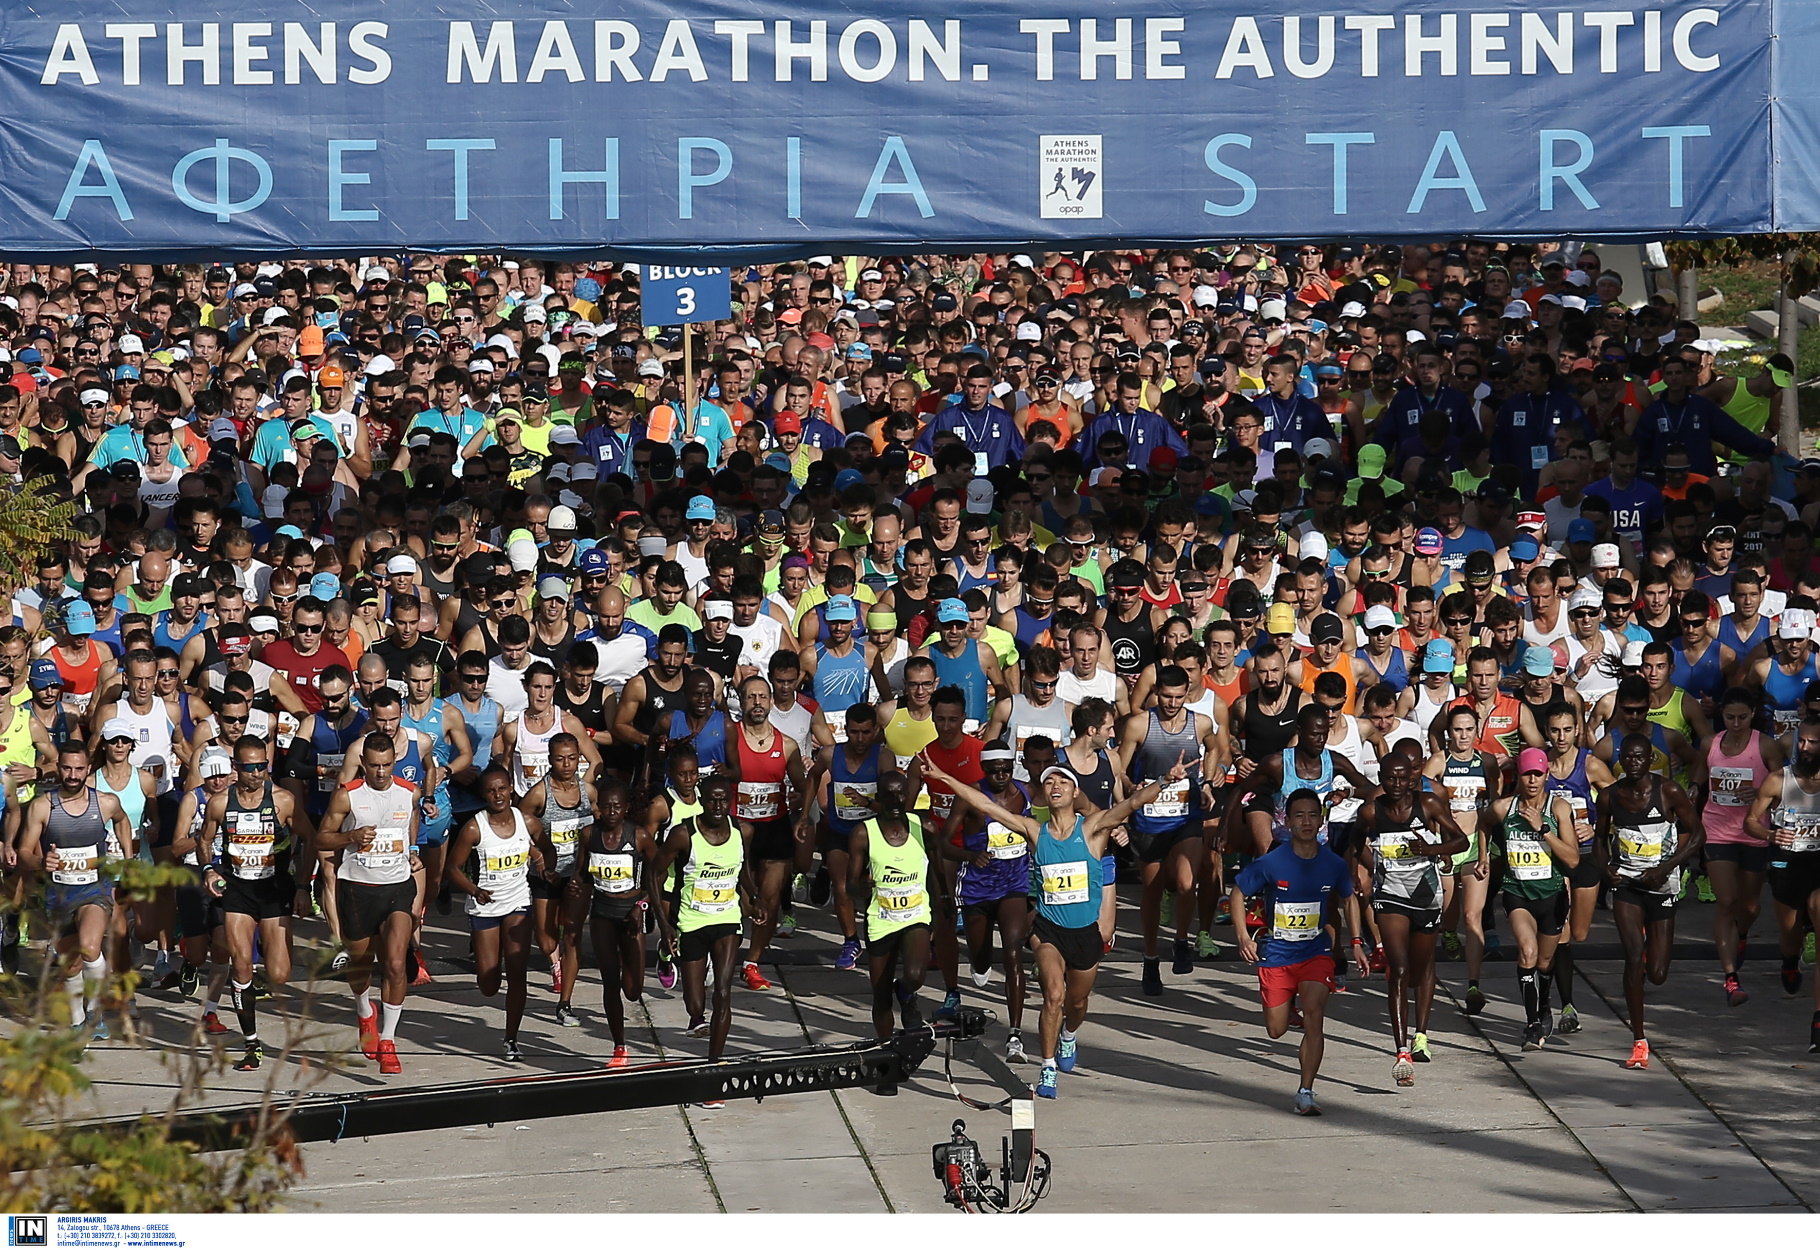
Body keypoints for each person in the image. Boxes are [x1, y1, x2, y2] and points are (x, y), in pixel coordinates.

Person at [918, 751, 1187, 1099]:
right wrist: (942, 775)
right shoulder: (1033, 830)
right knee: (1054, 996)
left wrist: (1165, 781)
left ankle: (1069, 1035)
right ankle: (1046, 1068)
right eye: (1048, 781)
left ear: (1075, 792)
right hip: (1048, 932)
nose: (1055, 785)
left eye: (1062, 780)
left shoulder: (1092, 829)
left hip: (1085, 934)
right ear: (1043, 795)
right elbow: (984, 805)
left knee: (1076, 1004)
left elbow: (1134, 802)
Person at [1233, 788, 1368, 1116]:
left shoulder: (1332, 864)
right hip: (1276, 955)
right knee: (1276, 1030)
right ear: (1287, 821)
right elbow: (1238, 892)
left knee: (1315, 1018)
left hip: (1315, 952)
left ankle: (1306, 1091)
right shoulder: (1272, 862)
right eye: (1299, 816)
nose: (1306, 822)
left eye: (1312, 815)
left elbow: (1349, 899)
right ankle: (1288, 1005)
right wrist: (1243, 937)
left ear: (1321, 820)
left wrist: (1355, 943)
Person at [198, 734, 312, 1070]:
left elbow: (311, 838)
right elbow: (203, 840)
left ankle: (271, 959)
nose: (257, 773)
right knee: (241, 964)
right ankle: (251, 1044)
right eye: (250, 768)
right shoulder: (220, 802)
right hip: (238, 889)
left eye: (263, 766)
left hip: (274, 888)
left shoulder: (283, 801)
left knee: (279, 974)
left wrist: (303, 885)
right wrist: (208, 870)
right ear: (236, 768)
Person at [1354, 753, 1468, 1084]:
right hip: (1390, 896)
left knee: (1420, 970)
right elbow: (1351, 841)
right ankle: (1402, 1051)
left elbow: (1459, 840)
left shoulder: (1429, 803)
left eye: (1403, 778)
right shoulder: (1371, 811)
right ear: (1382, 779)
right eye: (1390, 779)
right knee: (1399, 970)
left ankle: (1422, 1033)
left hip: (1425, 895)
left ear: (1413, 778)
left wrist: (1431, 852)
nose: (1397, 785)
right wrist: (1366, 866)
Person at [1596, 732, 1705, 1070]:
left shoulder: (1667, 791)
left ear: (1650, 760)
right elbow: (1600, 839)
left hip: (1660, 884)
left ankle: (1643, 969)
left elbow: (1699, 835)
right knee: (1631, 956)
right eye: (1627, 758)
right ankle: (1639, 1039)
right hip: (1627, 884)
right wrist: (1606, 870)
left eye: (1640, 757)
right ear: (1621, 760)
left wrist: (1666, 868)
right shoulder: (1609, 796)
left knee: (1656, 973)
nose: (1633, 763)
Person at [317, 732, 421, 1076]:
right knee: (360, 967)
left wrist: (413, 851)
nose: (381, 772)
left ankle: (388, 1041)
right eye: (374, 766)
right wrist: (350, 837)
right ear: (363, 764)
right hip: (357, 890)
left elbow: (411, 821)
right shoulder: (348, 796)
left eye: (387, 765)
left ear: (395, 762)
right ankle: (365, 1011)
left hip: (396, 888)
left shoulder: (409, 793)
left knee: (393, 962)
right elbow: (321, 837)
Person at [16, 741, 136, 1039]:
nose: (72, 774)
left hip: (94, 891)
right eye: (67, 768)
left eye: (79, 769)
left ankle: (95, 1011)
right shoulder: (43, 807)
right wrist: (42, 861)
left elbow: (122, 821)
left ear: (88, 769)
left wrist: (128, 855)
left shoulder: (105, 803)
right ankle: (78, 1019)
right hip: (59, 896)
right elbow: (24, 853)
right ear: (58, 768)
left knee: (90, 946)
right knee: (70, 966)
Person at [653, 775, 760, 1086]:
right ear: (701, 799)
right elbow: (654, 874)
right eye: (711, 800)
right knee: (695, 1003)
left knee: (723, 994)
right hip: (692, 922)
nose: (717, 806)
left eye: (723, 800)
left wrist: (754, 899)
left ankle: (715, 1067)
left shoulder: (743, 831)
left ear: (731, 800)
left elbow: (744, 870)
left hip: (727, 919)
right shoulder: (683, 836)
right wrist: (664, 925)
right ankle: (694, 1008)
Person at [446, 766, 553, 1061]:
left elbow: (546, 848)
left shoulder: (526, 821)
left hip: (518, 903)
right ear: (484, 794)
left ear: (510, 789)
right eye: (491, 790)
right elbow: (452, 868)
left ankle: (511, 1038)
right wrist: (473, 889)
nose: (498, 795)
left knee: (518, 973)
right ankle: (491, 977)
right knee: (489, 984)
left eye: (502, 788)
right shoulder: (474, 828)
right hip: (486, 907)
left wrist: (542, 860)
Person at [943, 742, 1034, 1060]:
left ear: (1012, 767)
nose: (999, 776)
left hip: (1014, 885)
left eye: (1005, 770)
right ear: (984, 770)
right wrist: (971, 854)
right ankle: (978, 961)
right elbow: (944, 844)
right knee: (982, 959)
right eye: (993, 771)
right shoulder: (970, 797)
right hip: (977, 889)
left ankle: (1015, 1035)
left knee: (1013, 951)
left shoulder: (1025, 795)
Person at [1486, 748, 1580, 1050]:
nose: (1532, 780)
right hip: (1518, 893)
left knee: (1544, 961)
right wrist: (1482, 856)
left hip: (1552, 896)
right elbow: (1482, 822)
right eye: (1527, 773)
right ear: (1520, 776)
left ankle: (1544, 1005)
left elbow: (1573, 859)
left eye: (1538, 774)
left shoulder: (1559, 808)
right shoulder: (1505, 808)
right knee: (1527, 953)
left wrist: (1543, 830)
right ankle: (1531, 1023)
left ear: (1546, 775)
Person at [1744, 717, 1820, 1053]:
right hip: (1787, 864)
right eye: (1801, 741)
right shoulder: (1779, 781)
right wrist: (1771, 834)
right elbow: (1750, 822)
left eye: (1813, 742)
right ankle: (1790, 960)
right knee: (1789, 937)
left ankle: (1818, 1020)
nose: (1805, 748)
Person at [1703, 687, 1783, 1006]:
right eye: (1729, 717)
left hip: (1753, 831)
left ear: (1752, 714)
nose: (1736, 723)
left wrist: (1762, 793)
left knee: (1748, 907)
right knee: (1727, 901)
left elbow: (1781, 787)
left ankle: (1743, 933)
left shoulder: (1764, 745)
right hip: (1717, 829)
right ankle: (1730, 978)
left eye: (1742, 717)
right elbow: (1701, 779)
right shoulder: (1711, 744)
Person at [846, 772, 935, 1042]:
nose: (895, 800)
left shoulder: (925, 828)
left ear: (908, 796)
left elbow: (937, 873)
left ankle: (907, 992)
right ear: (878, 797)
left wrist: (943, 912)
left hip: (916, 916)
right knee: (880, 994)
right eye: (888, 794)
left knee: (915, 975)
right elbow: (849, 884)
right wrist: (860, 888)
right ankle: (885, 1052)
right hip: (881, 919)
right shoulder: (863, 833)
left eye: (900, 794)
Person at [519, 732, 596, 1027]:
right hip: (547, 876)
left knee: (573, 936)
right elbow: (517, 826)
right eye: (560, 758)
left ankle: (565, 1003)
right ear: (550, 761)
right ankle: (555, 964)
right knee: (547, 935)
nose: (567, 764)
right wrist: (538, 858)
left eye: (572, 758)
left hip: (578, 876)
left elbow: (602, 825)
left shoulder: (588, 791)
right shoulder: (540, 794)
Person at [585, 778, 658, 1067]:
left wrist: (642, 905)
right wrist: (578, 887)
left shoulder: (638, 836)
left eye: (617, 806)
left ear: (626, 808)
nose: (612, 811)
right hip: (602, 911)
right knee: (609, 982)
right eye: (606, 807)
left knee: (633, 989)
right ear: (599, 809)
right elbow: (581, 872)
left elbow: (658, 872)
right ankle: (619, 1047)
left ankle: (634, 977)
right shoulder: (589, 834)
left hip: (631, 912)